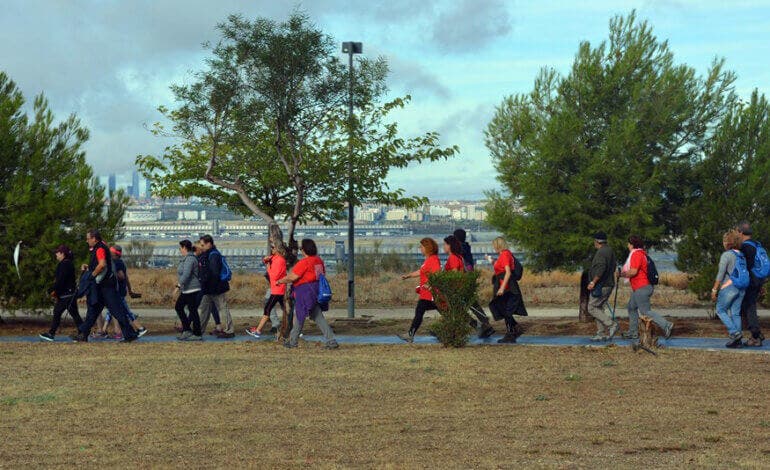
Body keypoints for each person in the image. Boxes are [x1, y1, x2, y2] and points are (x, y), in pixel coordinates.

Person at [71, 230, 138, 343]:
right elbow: (99, 265)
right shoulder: (99, 248)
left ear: (94, 239)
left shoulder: (100, 248)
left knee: (117, 311)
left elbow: (102, 264)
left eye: (88, 238)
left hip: (106, 287)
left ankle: (130, 334)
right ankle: (83, 335)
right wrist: (89, 268)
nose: (87, 241)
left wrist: (91, 275)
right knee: (92, 311)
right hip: (101, 287)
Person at [277, 239, 339, 349]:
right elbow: (322, 274)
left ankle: (293, 341)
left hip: (304, 292)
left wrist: (280, 281)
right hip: (315, 290)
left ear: (304, 250)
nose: (301, 251)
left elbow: (293, 277)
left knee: (300, 315)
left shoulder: (304, 262)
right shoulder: (318, 260)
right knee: (318, 316)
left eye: (301, 249)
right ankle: (331, 341)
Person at [620, 235, 674, 341]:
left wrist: (621, 274)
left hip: (642, 287)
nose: (627, 245)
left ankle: (666, 325)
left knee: (645, 311)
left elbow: (633, 271)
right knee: (631, 307)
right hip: (640, 288)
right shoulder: (641, 253)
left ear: (632, 245)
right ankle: (633, 332)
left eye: (628, 243)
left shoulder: (636, 254)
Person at [398, 238, 441, 343]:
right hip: (426, 294)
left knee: (421, 312)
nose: (420, 249)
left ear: (428, 248)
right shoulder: (428, 260)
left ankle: (411, 335)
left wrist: (430, 284)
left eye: (421, 247)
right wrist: (408, 276)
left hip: (431, 294)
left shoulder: (433, 259)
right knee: (421, 312)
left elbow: (437, 273)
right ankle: (410, 334)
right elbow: (420, 271)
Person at [453, 229, 495, 338]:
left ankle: (478, 325)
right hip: (468, 279)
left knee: (456, 306)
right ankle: (484, 325)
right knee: (471, 303)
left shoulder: (460, 249)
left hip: (463, 280)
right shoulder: (465, 247)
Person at [487, 237, 526, 343]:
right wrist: (491, 260)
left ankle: (511, 333)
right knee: (501, 308)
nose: (493, 247)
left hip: (509, 288)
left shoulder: (504, 254)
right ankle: (515, 329)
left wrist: (502, 288)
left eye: (494, 245)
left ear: (498, 245)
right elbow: (500, 268)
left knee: (507, 310)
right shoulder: (504, 254)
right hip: (506, 286)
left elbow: (507, 272)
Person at [39, 245, 83, 341]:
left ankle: (52, 334)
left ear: (63, 254)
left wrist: (52, 290)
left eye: (58, 252)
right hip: (68, 294)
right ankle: (82, 333)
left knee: (59, 313)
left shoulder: (64, 264)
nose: (56, 254)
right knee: (70, 314)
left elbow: (60, 280)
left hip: (66, 295)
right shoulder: (68, 263)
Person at [712, 230, 747, 348]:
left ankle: (734, 333)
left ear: (728, 242)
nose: (723, 243)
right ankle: (737, 342)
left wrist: (714, 290)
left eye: (724, 240)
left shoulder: (726, 255)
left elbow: (720, 274)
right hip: (741, 288)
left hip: (729, 287)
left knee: (720, 310)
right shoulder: (741, 255)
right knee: (735, 313)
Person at [104, 245, 147, 338]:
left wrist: (111, 273)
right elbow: (126, 278)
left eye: (110, 251)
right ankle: (104, 330)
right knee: (112, 310)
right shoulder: (119, 262)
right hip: (119, 290)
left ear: (114, 253)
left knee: (126, 311)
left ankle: (140, 328)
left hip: (118, 291)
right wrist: (130, 290)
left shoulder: (116, 263)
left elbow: (122, 276)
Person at [246, 243, 288, 338]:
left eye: (273, 248)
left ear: (278, 249)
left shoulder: (280, 260)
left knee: (268, 309)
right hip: (276, 289)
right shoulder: (274, 258)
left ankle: (258, 331)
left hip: (278, 290)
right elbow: (267, 260)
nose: (271, 249)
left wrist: (268, 266)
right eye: (271, 247)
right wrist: (266, 261)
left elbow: (274, 276)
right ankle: (294, 329)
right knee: (286, 309)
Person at [198, 235, 235, 338]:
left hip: (215, 288)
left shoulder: (213, 255)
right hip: (210, 288)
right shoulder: (210, 253)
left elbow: (214, 273)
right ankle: (199, 330)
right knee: (205, 309)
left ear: (209, 243)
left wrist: (208, 284)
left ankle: (230, 330)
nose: (201, 247)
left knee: (222, 308)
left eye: (203, 245)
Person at [586, 232, 619, 342]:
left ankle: (611, 325)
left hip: (601, 285)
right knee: (598, 307)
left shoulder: (601, 252)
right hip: (609, 283)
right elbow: (613, 266)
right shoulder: (610, 251)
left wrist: (593, 282)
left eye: (594, 241)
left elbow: (601, 268)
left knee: (591, 307)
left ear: (597, 241)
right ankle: (600, 333)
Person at [737, 221, 765, 346]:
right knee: (748, 306)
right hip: (758, 279)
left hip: (751, 281)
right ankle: (757, 334)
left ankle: (755, 336)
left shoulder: (745, 247)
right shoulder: (757, 244)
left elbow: (745, 267)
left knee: (749, 307)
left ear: (740, 232)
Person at [175, 239, 203, 341]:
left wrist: (178, 286)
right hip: (187, 289)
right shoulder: (186, 258)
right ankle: (187, 330)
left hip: (192, 289)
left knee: (191, 310)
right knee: (180, 307)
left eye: (180, 248)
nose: (180, 250)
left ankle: (196, 333)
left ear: (185, 248)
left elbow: (186, 274)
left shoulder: (190, 259)